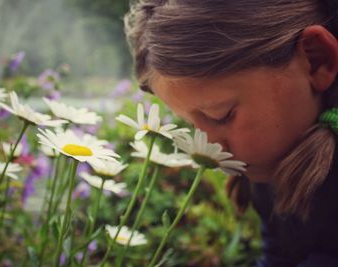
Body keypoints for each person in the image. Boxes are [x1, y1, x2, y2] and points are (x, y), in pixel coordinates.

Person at [124, 0, 338, 266]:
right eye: (192, 125)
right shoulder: (273, 160)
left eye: (221, 116)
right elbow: (279, 256)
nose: (209, 146)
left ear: (317, 60)